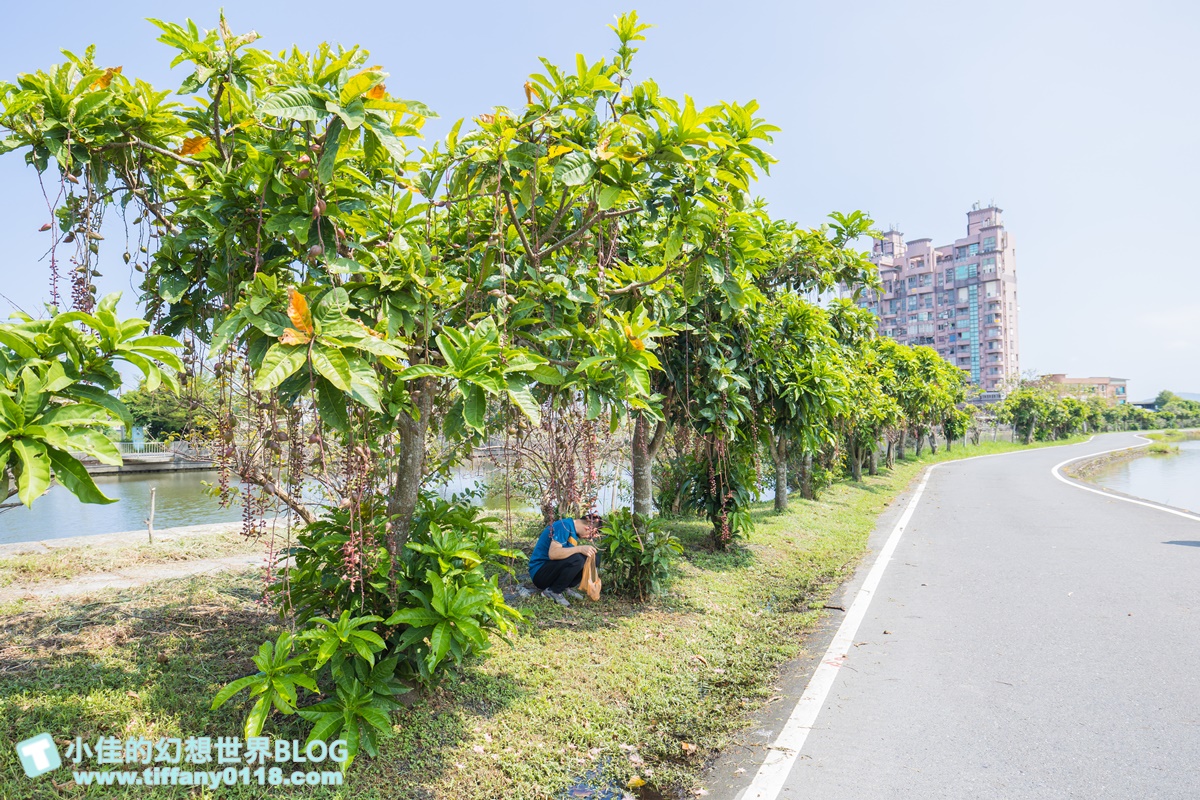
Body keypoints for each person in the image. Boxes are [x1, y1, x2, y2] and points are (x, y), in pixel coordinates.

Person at [528, 513, 604, 607]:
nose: (589, 539)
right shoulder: (564, 526)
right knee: (577, 559)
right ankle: (553, 591)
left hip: (551, 570)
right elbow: (553, 554)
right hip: (540, 574)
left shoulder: (572, 531)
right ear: (588, 527)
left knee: (594, 557)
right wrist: (580, 548)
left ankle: (564, 586)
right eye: (591, 535)